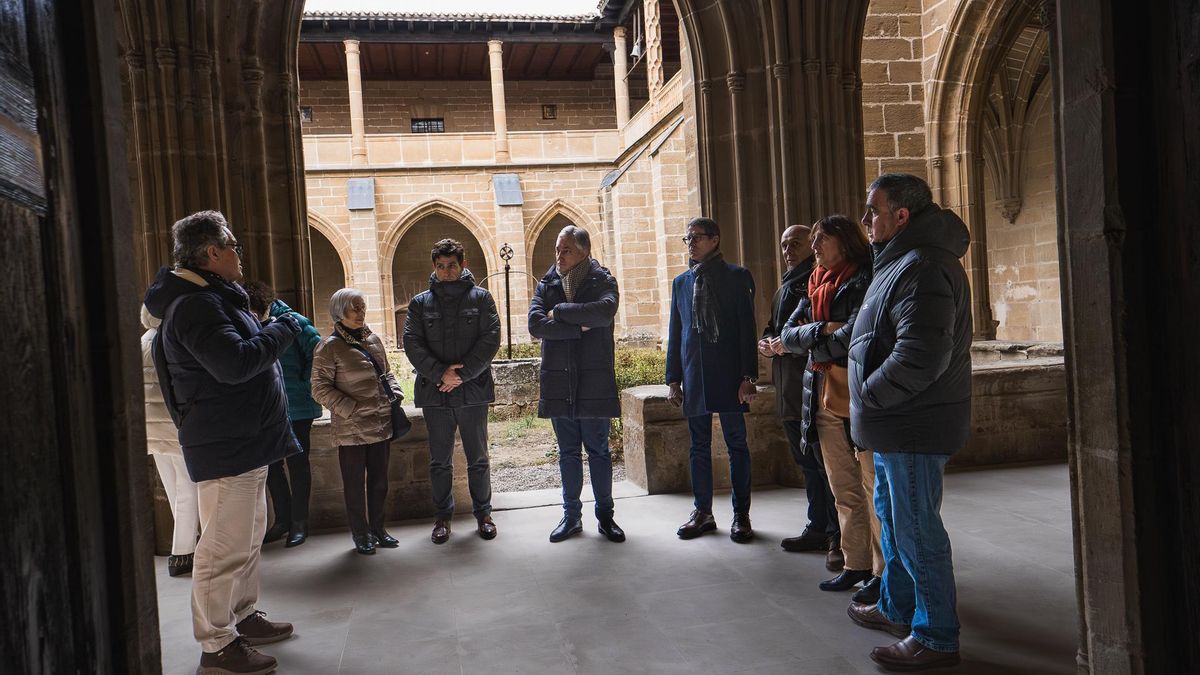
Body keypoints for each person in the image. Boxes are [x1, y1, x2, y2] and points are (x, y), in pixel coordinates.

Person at [143, 210, 299, 674]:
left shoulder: (213, 298)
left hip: (247, 439)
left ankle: (243, 614)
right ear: (212, 252)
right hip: (227, 443)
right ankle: (216, 644)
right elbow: (234, 365)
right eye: (233, 246)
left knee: (251, 532)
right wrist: (281, 329)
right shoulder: (195, 305)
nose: (239, 254)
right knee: (222, 545)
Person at [844, 173, 971, 671]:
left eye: (873, 210)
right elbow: (870, 336)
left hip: (913, 423)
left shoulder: (922, 266)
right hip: (894, 425)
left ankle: (937, 635)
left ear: (902, 216)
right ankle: (898, 608)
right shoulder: (899, 263)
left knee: (918, 531)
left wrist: (868, 396)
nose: (865, 220)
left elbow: (920, 356)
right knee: (895, 523)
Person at [775, 216, 880, 603]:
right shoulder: (814, 281)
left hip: (855, 393)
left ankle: (882, 574)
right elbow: (787, 333)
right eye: (814, 238)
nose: (815, 245)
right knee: (842, 487)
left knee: (871, 488)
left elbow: (855, 335)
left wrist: (811, 337)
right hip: (819, 392)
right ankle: (856, 564)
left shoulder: (863, 278)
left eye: (822, 239)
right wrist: (822, 330)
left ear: (845, 242)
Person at [529, 225, 625, 543]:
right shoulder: (548, 281)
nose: (559, 255)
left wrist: (560, 312)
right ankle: (571, 518)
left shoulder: (602, 280)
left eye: (566, 250)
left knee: (598, 451)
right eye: (557, 249)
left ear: (584, 252)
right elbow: (534, 324)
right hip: (559, 381)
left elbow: (605, 312)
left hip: (594, 379)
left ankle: (606, 518)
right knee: (568, 452)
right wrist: (574, 328)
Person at [665, 216, 759, 543]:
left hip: (730, 375)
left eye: (698, 237)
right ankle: (702, 512)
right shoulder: (681, 283)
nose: (691, 242)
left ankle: (741, 514)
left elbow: (747, 330)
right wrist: (673, 379)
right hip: (695, 375)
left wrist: (749, 376)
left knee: (737, 445)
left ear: (715, 240)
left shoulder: (736, 277)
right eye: (687, 238)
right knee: (698, 447)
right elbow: (676, 334)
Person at [403, 239, 501, 545]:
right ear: (434, 267)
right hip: (436, 392)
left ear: (463, 265)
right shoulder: (420, 304)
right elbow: (412, 342)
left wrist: (460, 375)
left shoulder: (482, 299)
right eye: (441, 266)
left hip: (472, 391)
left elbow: (490, 339)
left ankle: (483, 514)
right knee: (440, 460)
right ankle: (442, 518)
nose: (446, 272)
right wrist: (439, 373)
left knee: (479, 457)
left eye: (452, 266)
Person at [761, 224, 843, 571]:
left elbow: (809, 334)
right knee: (807, 463)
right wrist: (765, 341)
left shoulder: (814, 284)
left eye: (795, 242)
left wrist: (784, 342)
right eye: (784, 244)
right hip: (789, 389)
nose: (788, 249)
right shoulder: (786, 286)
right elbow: (774, 328)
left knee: (825, 466)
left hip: (810, 384)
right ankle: (818, 525)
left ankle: (836, 534)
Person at [311, 288, 404, 555]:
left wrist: (394, 394)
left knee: (379, 482)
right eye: (355, 307)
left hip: (380, 423)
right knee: (354, 485)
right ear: (340, 312)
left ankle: (378, 529)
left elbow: (387, 373)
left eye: (362, 306)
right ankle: (360, 534)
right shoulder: (328, 347)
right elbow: (319, 389)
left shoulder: (373, 339)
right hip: (351, 429)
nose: (361, 312)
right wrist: (350, 409)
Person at [244, 280, 322, 549]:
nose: (251, 317)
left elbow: (317, 356)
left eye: (255, 312)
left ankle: (300, 523)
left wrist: (305, 386)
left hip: (298, 406)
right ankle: (283, 520)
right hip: (267, 407)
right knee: (273, 466)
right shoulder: (248, 322)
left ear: (265, 306)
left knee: (298, 465)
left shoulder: (296, 321)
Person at [140, 304, 199, 578]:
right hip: (172, 425)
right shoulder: (166, 342)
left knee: (175, 490)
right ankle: (181, 554)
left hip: (152, 427)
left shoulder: (142, 342)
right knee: (188, 491)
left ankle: (187, 545)